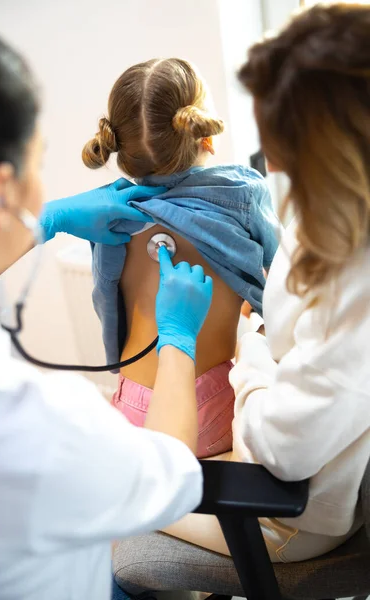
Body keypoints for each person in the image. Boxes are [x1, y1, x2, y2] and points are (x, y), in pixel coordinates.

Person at [112, 4, 370, 589]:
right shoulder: (314, 214)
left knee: (98, 506)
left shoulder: (359, 291)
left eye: (281, 140)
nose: (269, 161)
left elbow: (285, 450)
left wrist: (250, 358)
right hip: (254, 446)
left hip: (287, 509)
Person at [0, 22, 214, 600]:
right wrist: (177, 336)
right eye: (39, 161)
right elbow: (171, 473)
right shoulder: (29, 421)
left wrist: (50, 218)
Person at [82, 58, 280, 458]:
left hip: (133, 407)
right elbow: (288, 287)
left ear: (121, 150)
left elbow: (107, 303)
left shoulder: (108, 212)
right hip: (208, 406)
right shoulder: (242, 194)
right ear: (205, 136)